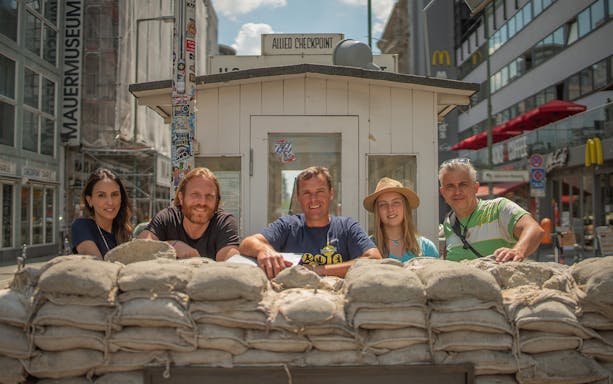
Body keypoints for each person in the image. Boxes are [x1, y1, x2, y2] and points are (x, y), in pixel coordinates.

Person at [239, 166, 381, 278]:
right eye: (307, 193)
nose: (313, 199)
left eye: (320, 191)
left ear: (331, 194)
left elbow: (374, 259)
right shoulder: (288, 225)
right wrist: (264, 250)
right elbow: (247, 243)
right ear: (298, 197)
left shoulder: (347, 227)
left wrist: (315, 270)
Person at [438, 158, 545, 262]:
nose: (457, 192)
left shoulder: (499, 208)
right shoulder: (449, 223)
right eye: (450, 186)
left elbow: (535, 230)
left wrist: (518, 250)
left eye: (463, 184)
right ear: (443, 192)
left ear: (475, 187)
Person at [138, 167, 240, 261]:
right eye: (195, 195)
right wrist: (173, 246)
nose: (202, 202)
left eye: (209, 196)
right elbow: (139, 248)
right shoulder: (168, 218)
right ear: (181, 198)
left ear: (217, 201)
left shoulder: (224, 222)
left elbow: (230, 261)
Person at [363, 177, 439, 262]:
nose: (390, 209)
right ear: (377, 212)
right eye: (383, 204)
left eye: (396, 202)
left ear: (405, 207)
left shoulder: (427, 247)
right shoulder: (368, 247)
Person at [71, 168, 133, 259]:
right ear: (89, 200)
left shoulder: (125, 233)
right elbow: (97, 265)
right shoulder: (82, 226)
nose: (110, 202)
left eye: (114, 194)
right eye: (101, 195)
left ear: (121, 198)